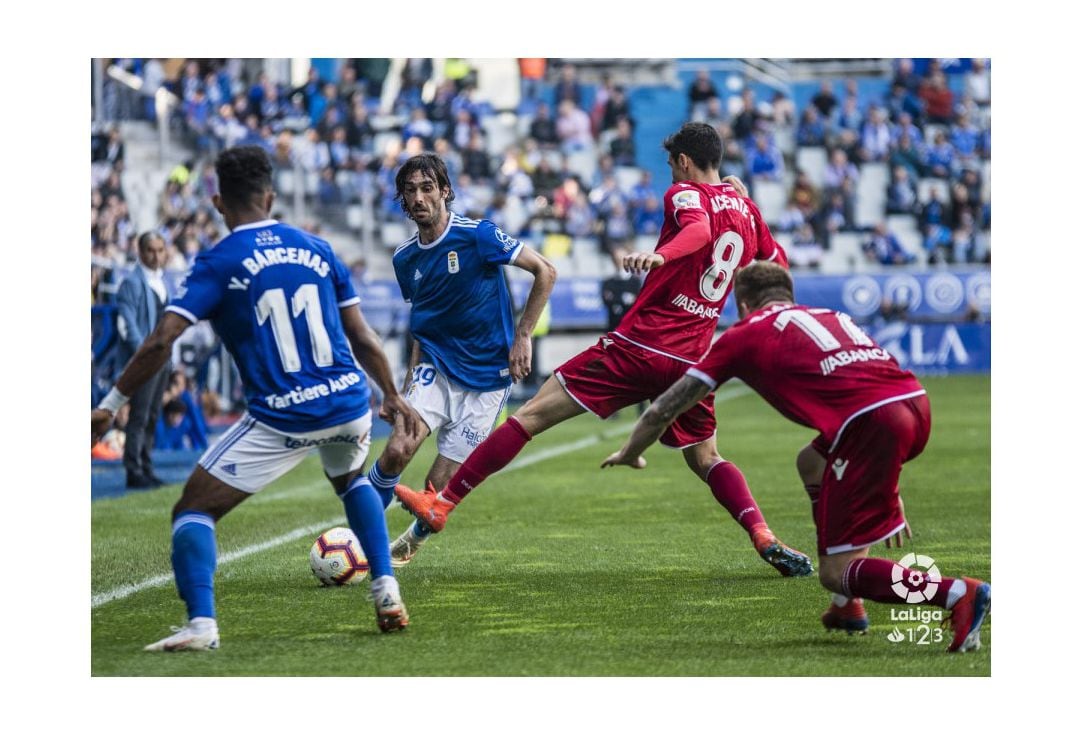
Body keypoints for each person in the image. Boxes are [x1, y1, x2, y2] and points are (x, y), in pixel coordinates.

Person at [396, 123, 813, 577]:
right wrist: (745, 204)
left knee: (529, 417)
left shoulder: (685, 194)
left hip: (640, 345)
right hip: (694, 360)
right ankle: (763, 535)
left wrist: (663, 256)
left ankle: (443, 504)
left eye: (673, 166)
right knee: (706, 457)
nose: (672, 176)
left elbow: (697, 227)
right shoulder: (747, 210)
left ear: (685, 163)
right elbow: (776, 264)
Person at [91, 146, 421, 650]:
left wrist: (111, 402)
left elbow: (162, 340)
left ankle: (201, 625)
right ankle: (386, 589)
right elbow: (363, 336)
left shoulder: (219, 261)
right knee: (350, 480)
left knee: (192, 512)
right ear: (270, 196)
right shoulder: (318, 247)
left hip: (285, 414)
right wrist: (392, 394)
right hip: (349, 402)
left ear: (219, 203)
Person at [602, 262, 990, 653]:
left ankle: (957, 594)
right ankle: (846, 606)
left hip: (872, 425)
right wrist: (885, 475)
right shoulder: (830, 315)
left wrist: (630, 452)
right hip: (914, 404)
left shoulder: (744, 333)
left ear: (741, 302)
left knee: (835, 573)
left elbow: (664, 407)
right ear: (788, 293)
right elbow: (871, 380)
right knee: (812, 462)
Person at [363, 153, 556, 566]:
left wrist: (523, 335)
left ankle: (408, 546)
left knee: (436, 490)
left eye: (427, 188)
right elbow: (422, 322)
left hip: (489, 380)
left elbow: (545, 271)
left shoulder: (478, 236)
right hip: (436, 367)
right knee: (399, 448)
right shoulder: (404, 259)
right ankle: (360, 535)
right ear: (402, 200)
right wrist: (400, 391)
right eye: (410, 191)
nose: (419, 198)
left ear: (445, 191)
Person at [115, 231, 171, 488]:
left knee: (151, 415)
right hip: (145, 359)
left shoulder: (162, 281)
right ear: (140, 252)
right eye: (151, 250)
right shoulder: (132, 283)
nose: (156, 255)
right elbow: (126, 326)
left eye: (160, 250)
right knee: (139, 416)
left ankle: (146, 466)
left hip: (162, 358)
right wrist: (144, 355)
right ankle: (133, 470)